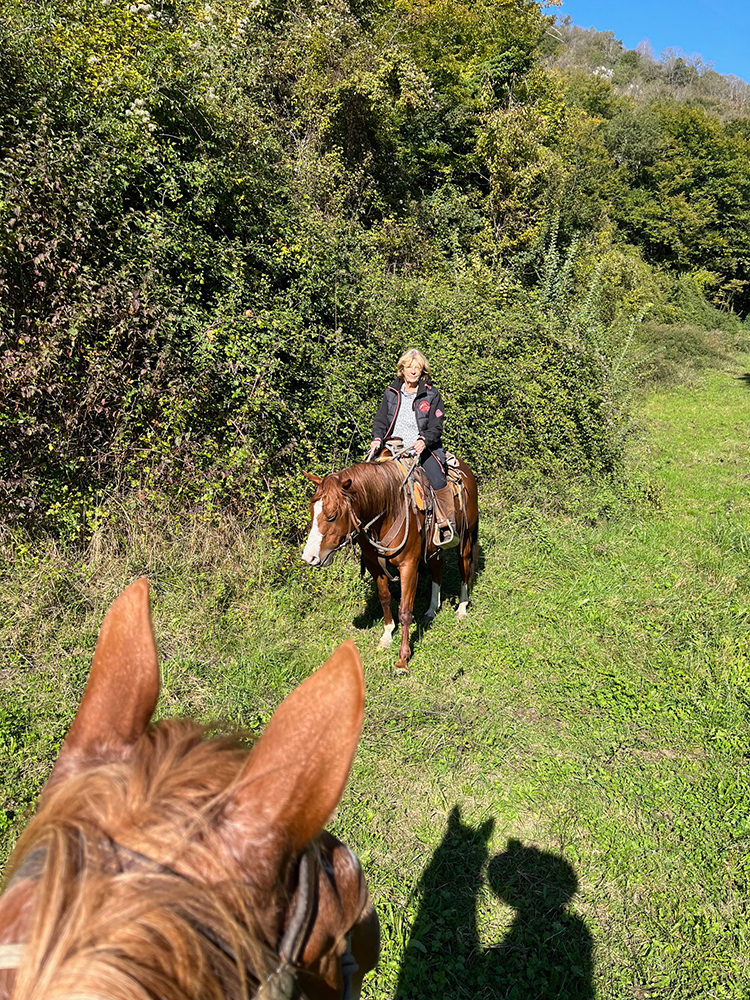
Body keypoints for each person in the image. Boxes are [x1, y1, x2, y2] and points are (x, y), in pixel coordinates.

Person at [369, 348, 458, 549]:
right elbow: (381, 419)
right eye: (409, 367)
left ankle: (445, 525)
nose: (413, 371)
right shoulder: (391, 392)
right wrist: (377, 438)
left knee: (437, 478)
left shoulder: (431, 394)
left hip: (422, 448)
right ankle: (365, 531)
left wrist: (424, 440)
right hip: (391, 447)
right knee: (366, 479)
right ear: (402, 369)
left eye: (417, 367)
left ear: (422, 371)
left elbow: (437, 425)